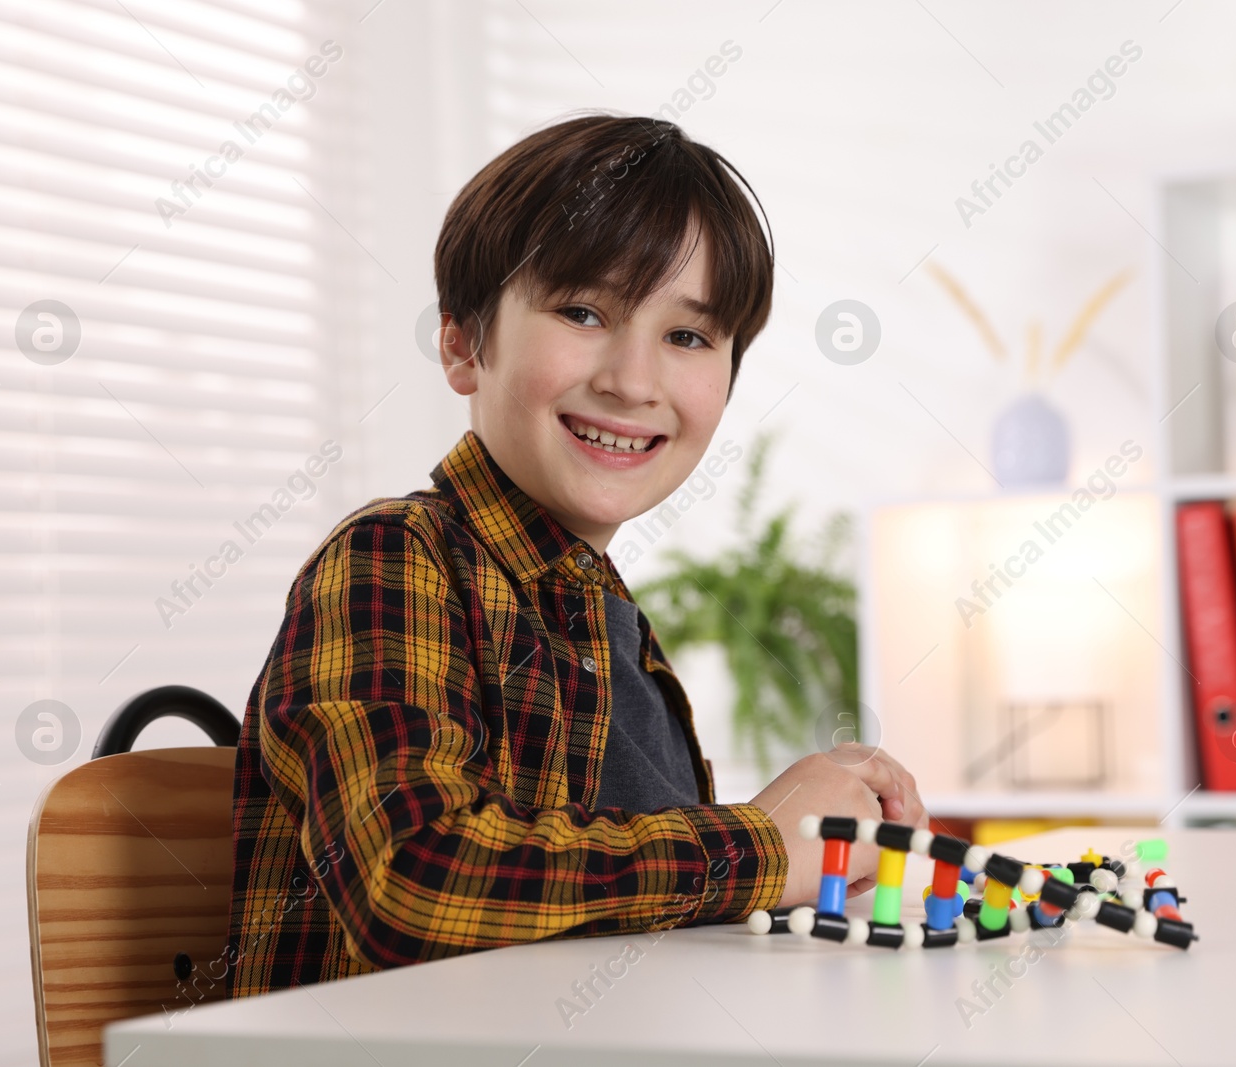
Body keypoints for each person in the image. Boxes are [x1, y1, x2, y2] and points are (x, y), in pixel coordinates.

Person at [227, 112, 925, 996]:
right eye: (585, 311)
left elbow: (617, 915)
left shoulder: (606, 619)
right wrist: (757, 844)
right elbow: (410, 877)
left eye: (688, 336)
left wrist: (807, 835)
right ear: (462, 342)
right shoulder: (396, 560)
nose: (633, 380)